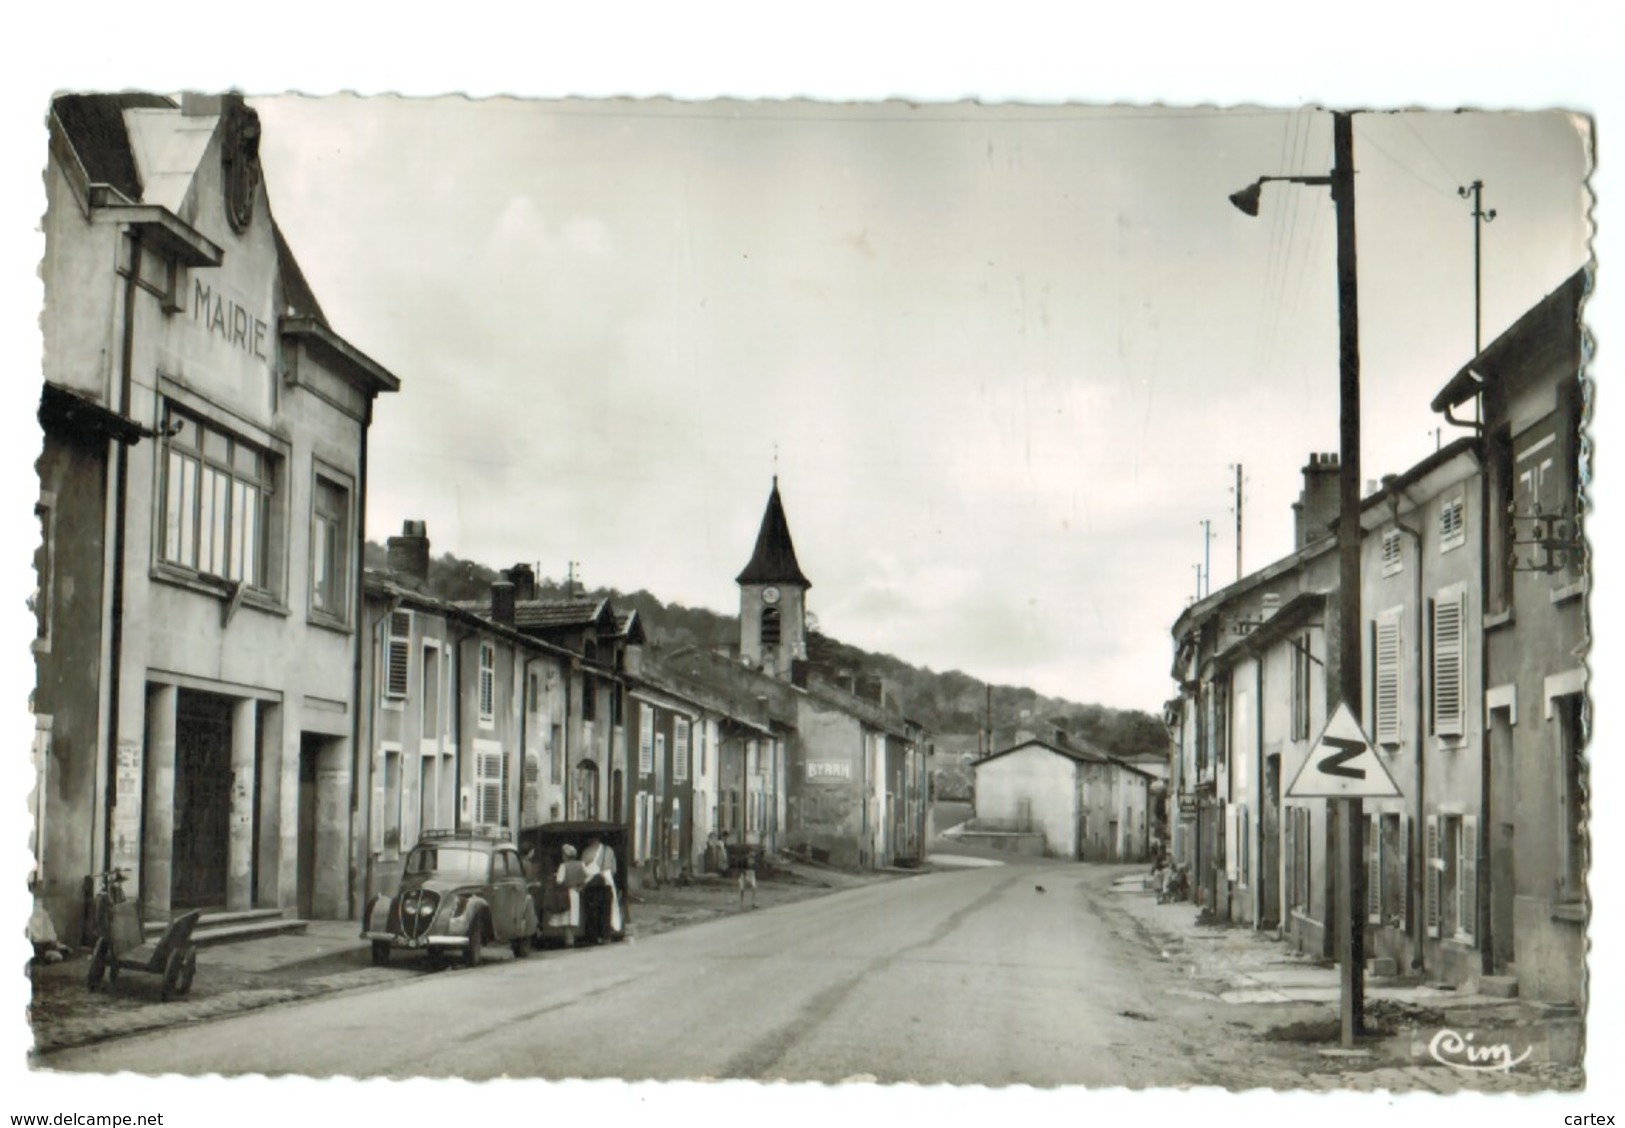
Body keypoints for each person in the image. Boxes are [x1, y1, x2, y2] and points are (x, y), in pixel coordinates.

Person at [581, 834, 621, 944]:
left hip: (592, 884)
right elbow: (614, 869)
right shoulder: (609, 851)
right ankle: (605, 935)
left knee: (592, 912)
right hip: (607, 883)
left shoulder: (586, 852)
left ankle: (593, 937)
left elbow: (583, 870)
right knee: (606, 911)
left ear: (591, 840)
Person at [549, 844, 588, 946]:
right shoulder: (581, 864)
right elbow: (588, 876)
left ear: (566, 855)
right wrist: (581, 886)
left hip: (565, 893)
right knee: (574, 917)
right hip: (576, 892)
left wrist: (555, 876)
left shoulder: (563, 866)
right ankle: (571, 938)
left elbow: (559, 881)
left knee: (566, 918)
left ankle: (569, 940)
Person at [738, 844, 758, 909]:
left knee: (754, 887)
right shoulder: (745, 859)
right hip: (744, 875)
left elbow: (755, 868)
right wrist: (745, 876)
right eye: (752, 852)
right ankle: (741, 903)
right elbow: (742, 868)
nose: (753, 854)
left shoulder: (754, 860)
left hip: (751, 874)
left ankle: (753, 902)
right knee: (742, 889)